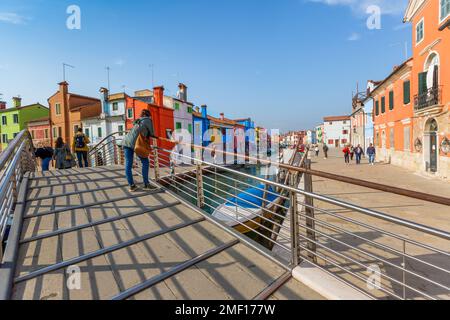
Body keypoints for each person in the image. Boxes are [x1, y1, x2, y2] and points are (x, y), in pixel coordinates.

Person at [122, 109, 156, 192]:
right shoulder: (148, 120)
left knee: (128, 165)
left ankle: (132, 186)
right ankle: (146, 184)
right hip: (136, 144)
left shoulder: (137, 121)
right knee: (145, 162)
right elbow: (152, 133)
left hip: (126, 142)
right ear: (149, 115)